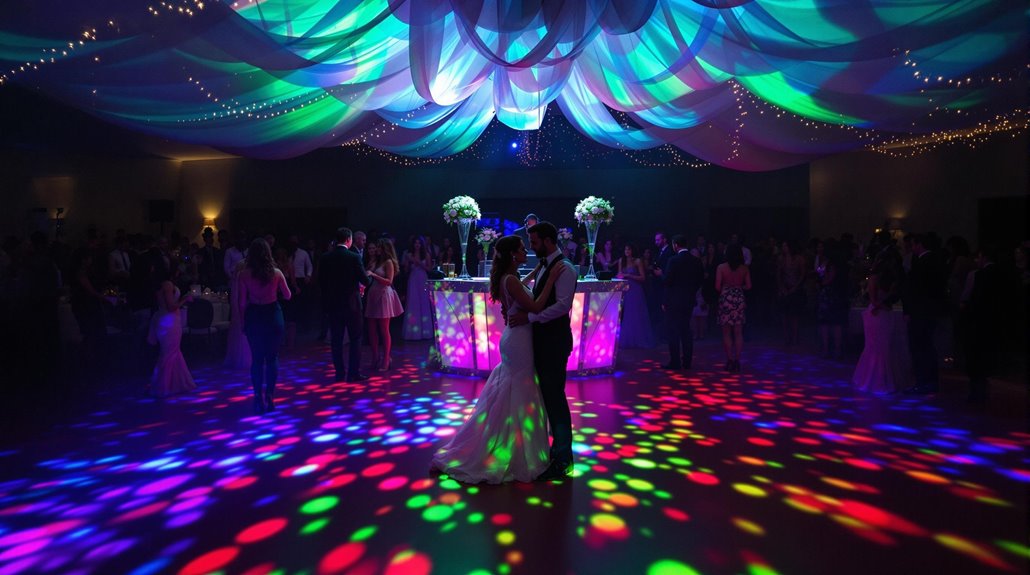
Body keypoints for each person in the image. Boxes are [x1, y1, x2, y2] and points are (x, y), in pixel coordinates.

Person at [431, 235, 566, 483]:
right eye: (522, 249)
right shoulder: (511, 280)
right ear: (513, 255)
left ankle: (513, 445)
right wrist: (552, 279)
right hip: (518, 341)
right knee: (519, 389)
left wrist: (538, 269)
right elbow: (535, 306)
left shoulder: (510, 279)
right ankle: (515, 451)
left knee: (515, 389)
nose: (527, 252)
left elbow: (521, 288)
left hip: (516, 338)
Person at [507, 222, 578, 481]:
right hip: (543, 342)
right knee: (549, 399)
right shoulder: (547, 265)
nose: (532, 247)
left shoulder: (565, 269)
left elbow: (562, 306)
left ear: (548, 241)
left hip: (555, 342)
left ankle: (563, 459)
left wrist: (531, 318)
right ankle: (557, 451)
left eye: (535, 243)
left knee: (555, 400)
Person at [239, 238, 292, 414]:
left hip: (254, 315)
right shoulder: (276, 273)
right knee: (272, 357)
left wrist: (242, 322)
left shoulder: (244, 274)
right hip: (272, 315)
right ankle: (270, 395)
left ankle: (256, 397)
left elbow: (241, 302)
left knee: (256, 359)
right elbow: (288, 295)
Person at [318, 228, 372, 382]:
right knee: (356, 338)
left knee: (337, 340)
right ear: (349, 240)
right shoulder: (354, 257)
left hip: (334, 305)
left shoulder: (325, 258)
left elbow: (321, 281)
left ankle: (339, 373)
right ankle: (353, 373)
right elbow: (365, 280)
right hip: (352, 305)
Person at [852, 248, 909, 394]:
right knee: (876, 346)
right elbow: (873, 298)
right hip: (877, 314)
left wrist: (885, 303)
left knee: (885, 346)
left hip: (883, 313)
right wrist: (882, 306)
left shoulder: (891, 279)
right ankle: (876, 380)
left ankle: (883, 379)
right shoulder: (875, 277)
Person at [148, 267, 196, 397]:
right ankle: (163, 385)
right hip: (169, 321)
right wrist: (185, 299)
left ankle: (174, 383)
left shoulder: (161, 285)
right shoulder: (168, 284)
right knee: (169, 353)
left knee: (171, 352)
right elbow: (171, 306)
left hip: (166, 320)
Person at [663, 235, 704, 368]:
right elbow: (700, 280)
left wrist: (660, 276)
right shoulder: (696, 261)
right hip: (688, 300)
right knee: (686, 330)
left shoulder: (673, 260)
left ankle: (675, 362)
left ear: (675, 245)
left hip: (674, 301)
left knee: (673, 331)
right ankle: (687, 362)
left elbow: (667, 281)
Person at [365, 238, 404, 371]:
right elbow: (367, 275)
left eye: (380, 247)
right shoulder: (375, 262)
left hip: (383, 294)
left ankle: (386, 359)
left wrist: (373, 275)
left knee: (383, 328)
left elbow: (389, 281)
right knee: (371, 328)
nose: (377, 250)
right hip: (373, 294)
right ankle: (375, 356)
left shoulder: (388, 262)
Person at [716, 244, 751, 372]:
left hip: (726, 298)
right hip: (739, 298)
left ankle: (729, 359)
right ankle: (737, 360)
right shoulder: (744, 268)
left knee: (726, 332)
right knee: (738, 332)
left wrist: (727, 288)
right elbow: (749, 286)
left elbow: (717, 286)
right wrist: (738, 288)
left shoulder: (721, 267)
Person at [616, 243, 653, 348]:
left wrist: (629, 275)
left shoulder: (637, 261)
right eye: (625, 249)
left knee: (636, 314)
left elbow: (642, 277)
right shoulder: (621, 261)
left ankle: (637, 339)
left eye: (629, 249)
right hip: (625, 289)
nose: (627, 251)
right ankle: (627, 339)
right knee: (626, 314)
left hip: (635, 289)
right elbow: (619, 274)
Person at [403, 236, 434, 340]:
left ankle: (425, 331)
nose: (417, 245)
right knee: (413, 302)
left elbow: (429, 269)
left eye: (419, 243)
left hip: (423, 278)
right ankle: (413, 332)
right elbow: (406, 270)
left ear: (422, 244)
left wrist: (419, 263)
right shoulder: (409, 254)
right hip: (413, 279)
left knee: (424, 302)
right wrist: (408, 262)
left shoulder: (426, 255)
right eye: (415, 243)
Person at [777, 240, 806, 346]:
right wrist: (782, 288)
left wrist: (796, 286)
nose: (783, 248)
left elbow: (802, 274)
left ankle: (794, 337)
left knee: (794, 315)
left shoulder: (799, 259)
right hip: (785, 288)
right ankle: (786, 337)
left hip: (796, 288)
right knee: (784, 315)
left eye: (785, 246)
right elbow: (778, 274)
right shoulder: (781, 259)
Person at [224, 257, 252, 370]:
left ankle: (237, 356)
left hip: (239, 303)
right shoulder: (244, 276)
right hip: (245, 303)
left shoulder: (237, 279)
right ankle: (247, 357)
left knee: (238, 328)